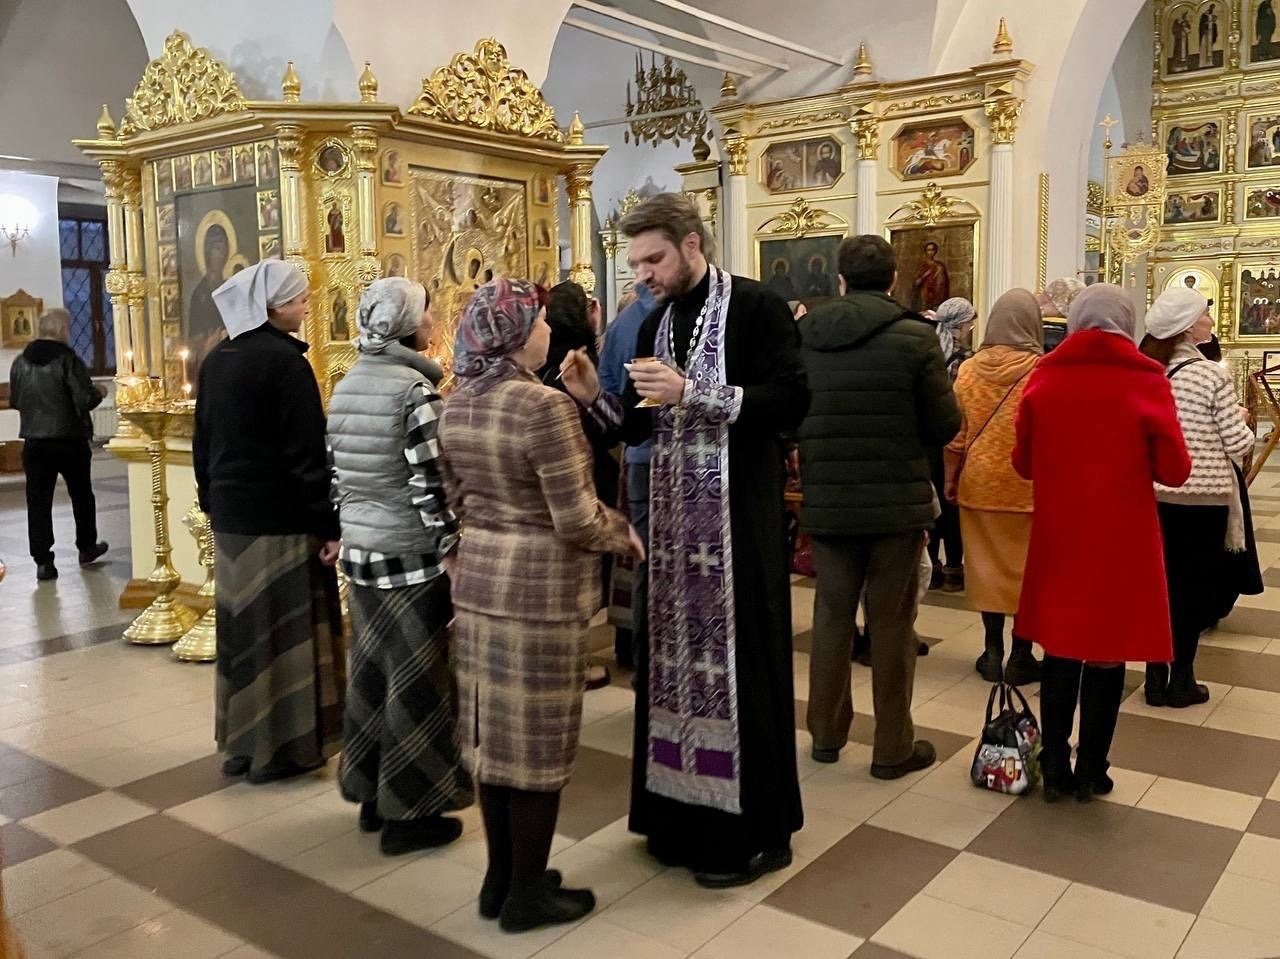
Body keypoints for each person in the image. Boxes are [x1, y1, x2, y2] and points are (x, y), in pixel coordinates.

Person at [560, 193, 809, 888]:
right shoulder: (654, 323)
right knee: (670, 671)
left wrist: (694, 392)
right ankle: (676, 819)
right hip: (673, 537)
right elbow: (637, 429)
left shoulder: (757, 308)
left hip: (739, 528)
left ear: (692, 244)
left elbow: (791, 403)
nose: (642, 274)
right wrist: (589, 399)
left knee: (742, 670)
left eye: (654, 258)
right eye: (636, 261)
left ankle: (756, 834)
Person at [439, 278, 640, 933]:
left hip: (478, 587)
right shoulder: (542, 407)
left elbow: (454, 501)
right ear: (518, 332)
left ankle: (501, 879)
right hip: (539, 593)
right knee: (538, 748)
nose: (549, 328)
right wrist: (625, 532)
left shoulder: (457, 399)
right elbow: (577, 518)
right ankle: (527, 892)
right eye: (539, 319)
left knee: (493, 740)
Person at [1014, 284, 1191, 803]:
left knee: (1061, 646)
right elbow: (1176, 471)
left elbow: (1022, 463)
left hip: (1060, 535)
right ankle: (1092, 769)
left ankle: (1053, 765)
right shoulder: (1147, 379)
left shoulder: (1044, 377)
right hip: (1122, 539)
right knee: (1108, 654)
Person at [797, 234, 960, 776]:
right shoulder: (916, 337)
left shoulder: (805, 335)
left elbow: (791, 414)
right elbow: (943, 426)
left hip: (828, 501)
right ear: (894, 279)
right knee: (892, 623)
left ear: (839, 280)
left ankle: (825, 734)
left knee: (831, 617)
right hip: (896, 504)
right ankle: (892, 749)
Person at [327, 278, 472, 855]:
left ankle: (370, 795)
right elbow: (429, 484)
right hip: (411, 561)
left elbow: (337, 477)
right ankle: (410, 816)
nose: (435, 323)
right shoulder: (414, 390)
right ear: (412, 324)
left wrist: (345, 534)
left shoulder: (346, 384)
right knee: (418, 684)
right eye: (430, 313)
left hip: (362, 555)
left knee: (370, 675)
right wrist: (452, 546)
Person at [193, 260, 346, 785]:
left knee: (242, 633)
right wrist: (328, 525)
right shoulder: (286, 364)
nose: (307, 306)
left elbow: (203, 444)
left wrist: (213, 504)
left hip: (234, 520)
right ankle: (282, 750)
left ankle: (241, 744)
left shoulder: (217, 360)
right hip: (281, 521)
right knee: (283, 634)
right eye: (299, 298)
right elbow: (306, 455)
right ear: (272, 306)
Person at [1138, 288, 1260, 708]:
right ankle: (1182, 680)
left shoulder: (1147, 370)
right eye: (1206, 314)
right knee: (1192, 589)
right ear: (1190, 326)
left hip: (1155, 495)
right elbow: (1235, 441)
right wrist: (1244, 423)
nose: (1212, 320)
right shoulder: (1210, 375)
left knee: (1161, 586)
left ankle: (1154, 678)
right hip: (1202, 498)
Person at [944, 290, 1044, 685]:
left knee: (985, 569)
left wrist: (951, 477)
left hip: (980, 483)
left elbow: (955, 436)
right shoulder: (1043, 369)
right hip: (1028, 485)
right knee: (1026, 573)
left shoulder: (968, 370)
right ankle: (1021, 655)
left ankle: (991, 652)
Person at [535, 280, 620, 689]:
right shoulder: (577, 361)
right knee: (578, 573)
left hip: (546, 486)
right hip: (582, 478)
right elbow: (600, 427)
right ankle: (574, 662)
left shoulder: (532, 363)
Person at [8, 309, 108, 581]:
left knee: (38, 502)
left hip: (35, 443)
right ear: (62, 330)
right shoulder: (67, 359)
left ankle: (43, 562)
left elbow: (15, 400)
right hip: (69, 441)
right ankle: (86, 548)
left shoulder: (20, 362)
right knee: (81, 496)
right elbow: (84, 399)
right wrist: (100, 391)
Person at [599, 283, 657, 676]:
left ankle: (643, 661)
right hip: (685, 460)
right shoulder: (673, 315)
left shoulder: (621, 323)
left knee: (644, 562)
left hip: (637, 458)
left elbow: (606, 392)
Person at [926, 297, 974, 590]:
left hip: (929, 442)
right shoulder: (966, 359)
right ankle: (955, 570)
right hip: (954, 437)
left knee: (932, 505)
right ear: (962, 324)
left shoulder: (928, 353)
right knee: (953, 506)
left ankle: (931, 569)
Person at [912, 241, 950, 312]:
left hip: (936, 297)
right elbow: (916, 283)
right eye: (928, 250)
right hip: (924, 295)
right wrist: (924, 275)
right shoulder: (922, 266)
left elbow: (943, 284)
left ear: (935, 251)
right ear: (925, 251)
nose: (930, 252)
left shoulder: (940, 266)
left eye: (932, 250)